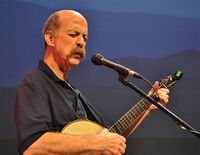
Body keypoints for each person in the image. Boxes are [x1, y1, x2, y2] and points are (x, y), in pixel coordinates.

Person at [14, 10, 169, 155]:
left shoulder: (72, 92)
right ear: (50, 38)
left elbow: (109, 137)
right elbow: (32, 145)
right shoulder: (34, 83)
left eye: (85, 37)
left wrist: (147, 106)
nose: (81, 42)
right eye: (74, 34)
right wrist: (97, 143)